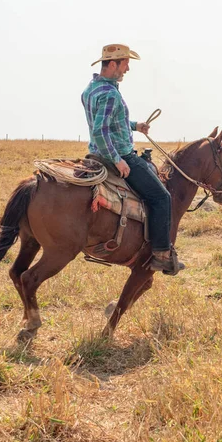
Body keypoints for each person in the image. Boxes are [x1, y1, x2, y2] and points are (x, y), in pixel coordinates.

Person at [81, 44, 185, 275]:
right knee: (161, 197)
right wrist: (117, 159)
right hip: (117, 155)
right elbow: (100, 131)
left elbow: (109, 122)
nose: (127, 69)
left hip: (94, 154)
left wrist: (135, 126)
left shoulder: (91, 89)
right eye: (125, 63)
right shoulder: (109, 94)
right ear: (112, 64)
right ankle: (161, 254)